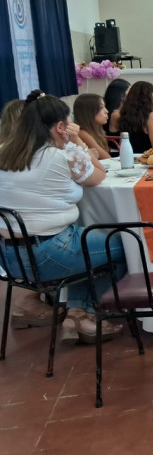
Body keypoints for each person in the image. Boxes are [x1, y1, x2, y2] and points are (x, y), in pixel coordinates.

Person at [0, 91, 126, 342]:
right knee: (125, 243)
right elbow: (100, 174)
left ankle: (77, 313)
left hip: (8, 258)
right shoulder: (61, 155)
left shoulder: (4, 151)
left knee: (85, 243)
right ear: (60, 126)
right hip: (49, 254)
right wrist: (77, 141)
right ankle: (86, 314)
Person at [117, 81, 153, 153]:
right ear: (147, 97)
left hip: (129, 158)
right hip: (147, 160)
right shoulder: (151, 116)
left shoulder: (124, 114)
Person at [73, 94, 111, 159]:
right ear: (88, 112)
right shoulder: (82, 133)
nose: (106, 111)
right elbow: (107, 158)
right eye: (101, 108)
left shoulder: (98, 131)